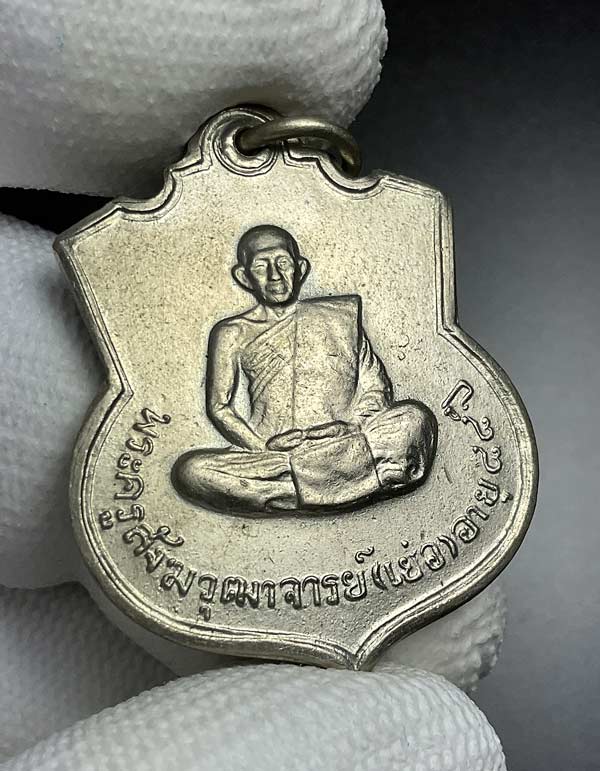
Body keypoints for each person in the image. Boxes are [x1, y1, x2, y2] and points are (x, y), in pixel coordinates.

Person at [172, 225, 437, 513]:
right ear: (243, 277)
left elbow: (375, 387)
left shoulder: (339, 319)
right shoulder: (232, 332)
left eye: (283, 263)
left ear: (300, 268)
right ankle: (343, 483)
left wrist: (351, 425)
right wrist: (263, 446)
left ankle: (292, 491)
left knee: (415, 417)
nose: (275, 275)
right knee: (191, 471)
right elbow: (220, 407)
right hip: (276, 457)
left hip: (341, 440)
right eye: (261, 266)